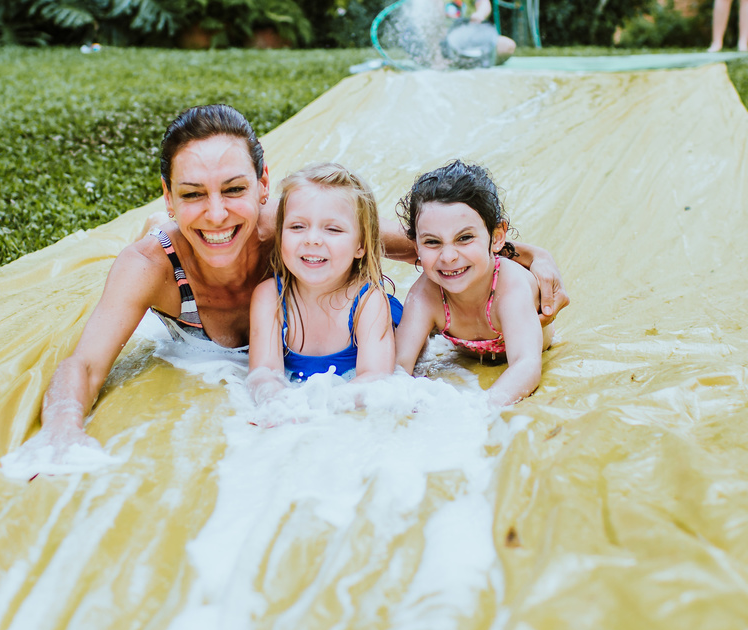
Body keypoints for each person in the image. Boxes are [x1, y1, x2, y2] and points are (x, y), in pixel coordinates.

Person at [32, 105, 567, 456]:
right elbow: (83, 363)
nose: (217, 214)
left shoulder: (290, 232)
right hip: (207, 331)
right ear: (168, 197)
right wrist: (61, 432)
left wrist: (531, 257)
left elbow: (431, 243)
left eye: (234, 189)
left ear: (263, 186)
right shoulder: (150, 268)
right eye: (193, 194)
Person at [394, 160, 553, 406]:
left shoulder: (510, 288)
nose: (448, 257)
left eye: (464, 238)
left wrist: (478, 410)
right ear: (416, 246)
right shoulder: (426, 294)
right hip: (468, 354)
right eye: (432, 242)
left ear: (497, 237)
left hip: (528, 346)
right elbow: (397, 367)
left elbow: (526, 365)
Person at [247, 163, 403, 403]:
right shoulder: (269, 298)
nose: (312, 240)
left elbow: (375, 378)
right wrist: (279, 406)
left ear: (360, 245)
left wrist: (315, 406)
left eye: (332, 229)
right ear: (280, 236)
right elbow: (263, 375)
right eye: (297, 226)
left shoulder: (368, 302)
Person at [441, 0, 516, 67]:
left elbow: (484, 4)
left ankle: (465, 62)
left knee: (507, 46)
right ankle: (460, 61)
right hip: (442, 42)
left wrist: (479, 14)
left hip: (470, 39)